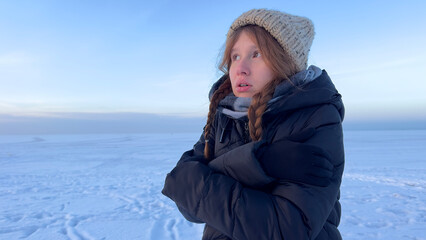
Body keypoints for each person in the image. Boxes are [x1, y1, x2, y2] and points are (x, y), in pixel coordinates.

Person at [162, 8, 345, 240]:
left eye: (256, 54)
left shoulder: (315, 115)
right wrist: (259, 162)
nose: (240, 68)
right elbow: (184, 198)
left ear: (284, 60)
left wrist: (205, 179)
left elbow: (284, 229)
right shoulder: (225, 114)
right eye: (235, 56)